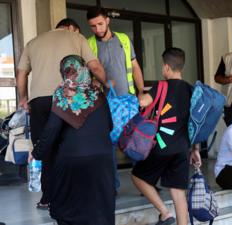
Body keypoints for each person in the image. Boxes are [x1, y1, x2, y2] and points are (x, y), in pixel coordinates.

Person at [16, 18, 107, 209]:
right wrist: (105, 87)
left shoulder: (33, 42)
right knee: (71, 144)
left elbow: (21, 73)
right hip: (69, 96)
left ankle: (47, 198)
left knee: (46, 147)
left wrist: (23, 98)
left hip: (39, 101)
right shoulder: (77, 38)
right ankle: (73, 194)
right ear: (71, 28)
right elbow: (95, 66)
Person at [29, 55, 115, 225]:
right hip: (102, 159)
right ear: (83, 69)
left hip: (72, 160)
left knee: (68, 211)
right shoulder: (97, 93)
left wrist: (36, 153)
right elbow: (110, 126)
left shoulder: (62, 94)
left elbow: (51, 130)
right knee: (101, 210)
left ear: (63, 72)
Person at [131, 48, 201, 225]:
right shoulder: (191, 89)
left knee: (138, 177)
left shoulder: (160, 86)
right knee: (178, 193)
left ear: (167, 67)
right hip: (182, 148)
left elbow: (142, 103)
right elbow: (195, 123)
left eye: (163, 66)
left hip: (161, 145)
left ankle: (165, 213)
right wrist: (195, 149)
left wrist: (139, 94)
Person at [86, 7, 145, 191]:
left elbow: (135, 66)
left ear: (107, 20)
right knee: (108, 146)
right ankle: (112, 186)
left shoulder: (124, 39)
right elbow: (86, 75)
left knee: (137, 142)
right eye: (93, 26)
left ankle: (145, 184)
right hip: (104, 104)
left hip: (128, 100)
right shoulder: (88, 44)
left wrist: (141, 91)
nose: (97, 29)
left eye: (100, 24)